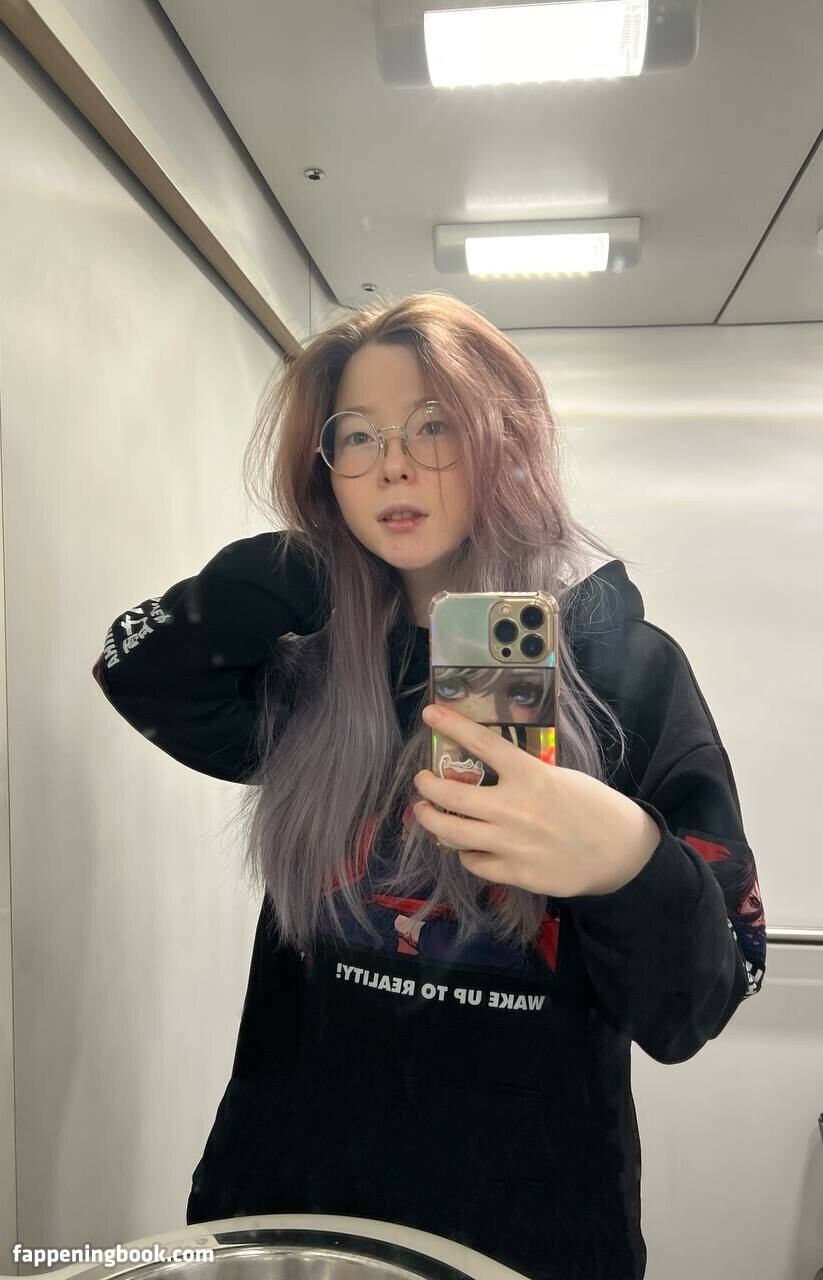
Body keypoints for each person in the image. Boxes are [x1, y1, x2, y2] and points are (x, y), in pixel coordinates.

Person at [93, 291, 766, 1280]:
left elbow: (697, 1001)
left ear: (503, 440)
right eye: (356, 436)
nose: (393, 464)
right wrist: (270, 577)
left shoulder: (621, 667)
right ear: (325, 466)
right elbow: (135, 671)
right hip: (287, 1214)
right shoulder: (309, 658)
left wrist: (626, 861)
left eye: (433, 425)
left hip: (527, 1235)